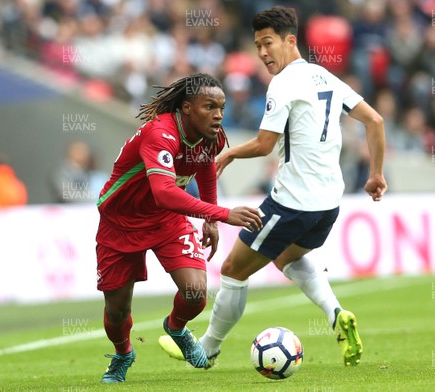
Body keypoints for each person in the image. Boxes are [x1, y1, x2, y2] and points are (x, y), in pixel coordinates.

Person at [160, 6, 387, 368]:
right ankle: (336, 315)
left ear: (290, 41)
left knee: (234, 269)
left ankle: (206, 350)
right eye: (257, 46)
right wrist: (376, 174)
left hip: (291, 203)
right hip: (328, 204)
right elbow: (374, 120)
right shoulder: (325, 77)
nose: (263, 53)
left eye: (268, 43)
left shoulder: (282, 85)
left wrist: (229, 153)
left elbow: (265, 144)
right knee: (286, 256)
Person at [95, 73, 263, 384]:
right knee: (117, 312)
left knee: (196, 292)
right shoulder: (161, 134)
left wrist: (210, 219)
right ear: (186, 108)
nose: (218, 115)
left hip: (166, 219)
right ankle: (123, 353)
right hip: (121, 222)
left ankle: (175, 327)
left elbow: (206, 167)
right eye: (209, 107)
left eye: (222, 108)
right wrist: (223, 213)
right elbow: (165, 191)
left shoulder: (213, 135)